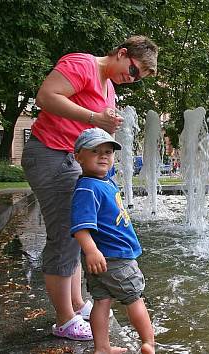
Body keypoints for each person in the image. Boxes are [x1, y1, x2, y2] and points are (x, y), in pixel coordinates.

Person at [21, 35, 158, 341]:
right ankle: (65, 320)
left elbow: (93, 133)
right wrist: (96, 117)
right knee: (62, 238)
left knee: (76, 233)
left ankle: (77, 304)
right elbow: (46, 96)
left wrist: (106, 126)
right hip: (50, 153)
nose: (131, 79)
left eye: (138, 79)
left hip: (69, 157)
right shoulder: (83, 64)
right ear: (122, 53)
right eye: (134, 70)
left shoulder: (108, 87)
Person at [71, 128, 154, 354]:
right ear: (78, 156)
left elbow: (107, 169)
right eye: (95, 151)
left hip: (105, 257)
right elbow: (80, 227)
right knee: (134, 298)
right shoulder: (87, 188)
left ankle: (103, 348)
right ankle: (148, 343)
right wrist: (91, 251)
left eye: (108, 151)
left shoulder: (102, 181)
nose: (104, 156)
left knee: (101, 301)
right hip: (114, 256)